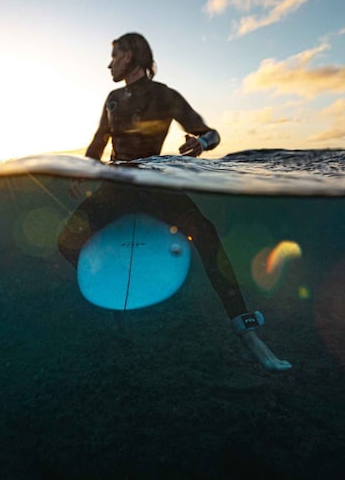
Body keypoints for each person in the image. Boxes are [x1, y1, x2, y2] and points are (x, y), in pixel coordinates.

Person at [58, 32, 290, 371]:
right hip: (116, 186)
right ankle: (115, 292)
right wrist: (83, 170)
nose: (109, 63)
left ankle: (247, 332)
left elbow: (212, 133)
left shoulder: (165, 96)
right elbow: (99, 142)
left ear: (132, 57)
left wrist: (201, 143)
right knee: (66, 242)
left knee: (206, 234)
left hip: (154, 185)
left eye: (115, 55)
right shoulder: (111, 98)